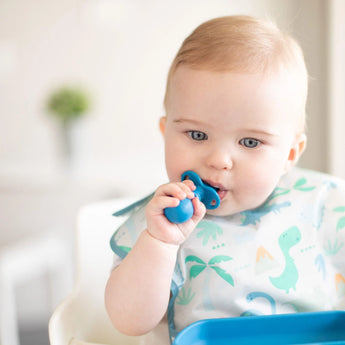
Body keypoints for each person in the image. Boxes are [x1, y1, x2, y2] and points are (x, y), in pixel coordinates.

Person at [105, 15, 345, 343]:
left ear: (290, 154)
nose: (218, 160)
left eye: (250, 142)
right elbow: (129, 321)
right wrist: (161, 243)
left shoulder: (325, 204)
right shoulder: (159, 224)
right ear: (166, 134)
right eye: (197, 134)